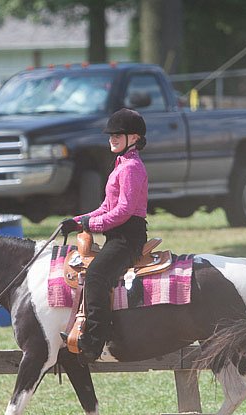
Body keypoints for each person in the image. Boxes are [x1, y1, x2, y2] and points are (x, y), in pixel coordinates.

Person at [60, 108, 149, 363]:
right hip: (116, 235)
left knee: (97, 275)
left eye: (117, 135)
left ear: (133, 138)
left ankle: (94, 342)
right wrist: (77, 222)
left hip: (127, 238)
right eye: (111, 135)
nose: (112, 138)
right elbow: (106, 208)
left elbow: (123, 211)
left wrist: (91, 225)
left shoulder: (131, 167)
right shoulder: (121, 165)